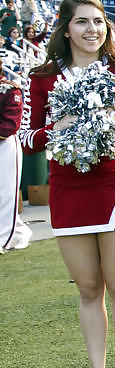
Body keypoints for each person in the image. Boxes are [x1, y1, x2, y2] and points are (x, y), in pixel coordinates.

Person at [20, 0, 115, 368]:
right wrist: (59, 127)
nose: (93, 29)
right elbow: (27, 141)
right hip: (68, 189)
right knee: (88, 288)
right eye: (82, 22)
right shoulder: (43, 78)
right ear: (65, 29)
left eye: (99, 22)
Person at [0, 59, 31, 252]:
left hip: (4, 145)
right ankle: (18, 232)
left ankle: (2, 239)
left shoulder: (9, 89)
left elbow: (10, 126)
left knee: (5, 193)